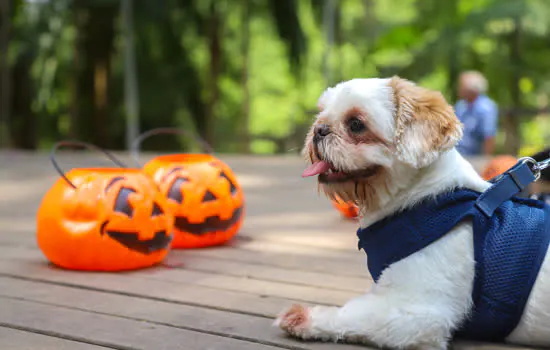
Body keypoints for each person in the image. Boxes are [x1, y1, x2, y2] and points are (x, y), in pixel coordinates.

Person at [454, 71, 498, 156]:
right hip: (458, 155)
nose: (459, 89)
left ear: (472, 89)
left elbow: (489, 138)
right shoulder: (461, 106)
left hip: (475, 158)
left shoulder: (486, 108)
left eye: (462, 86)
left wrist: (485, 161)